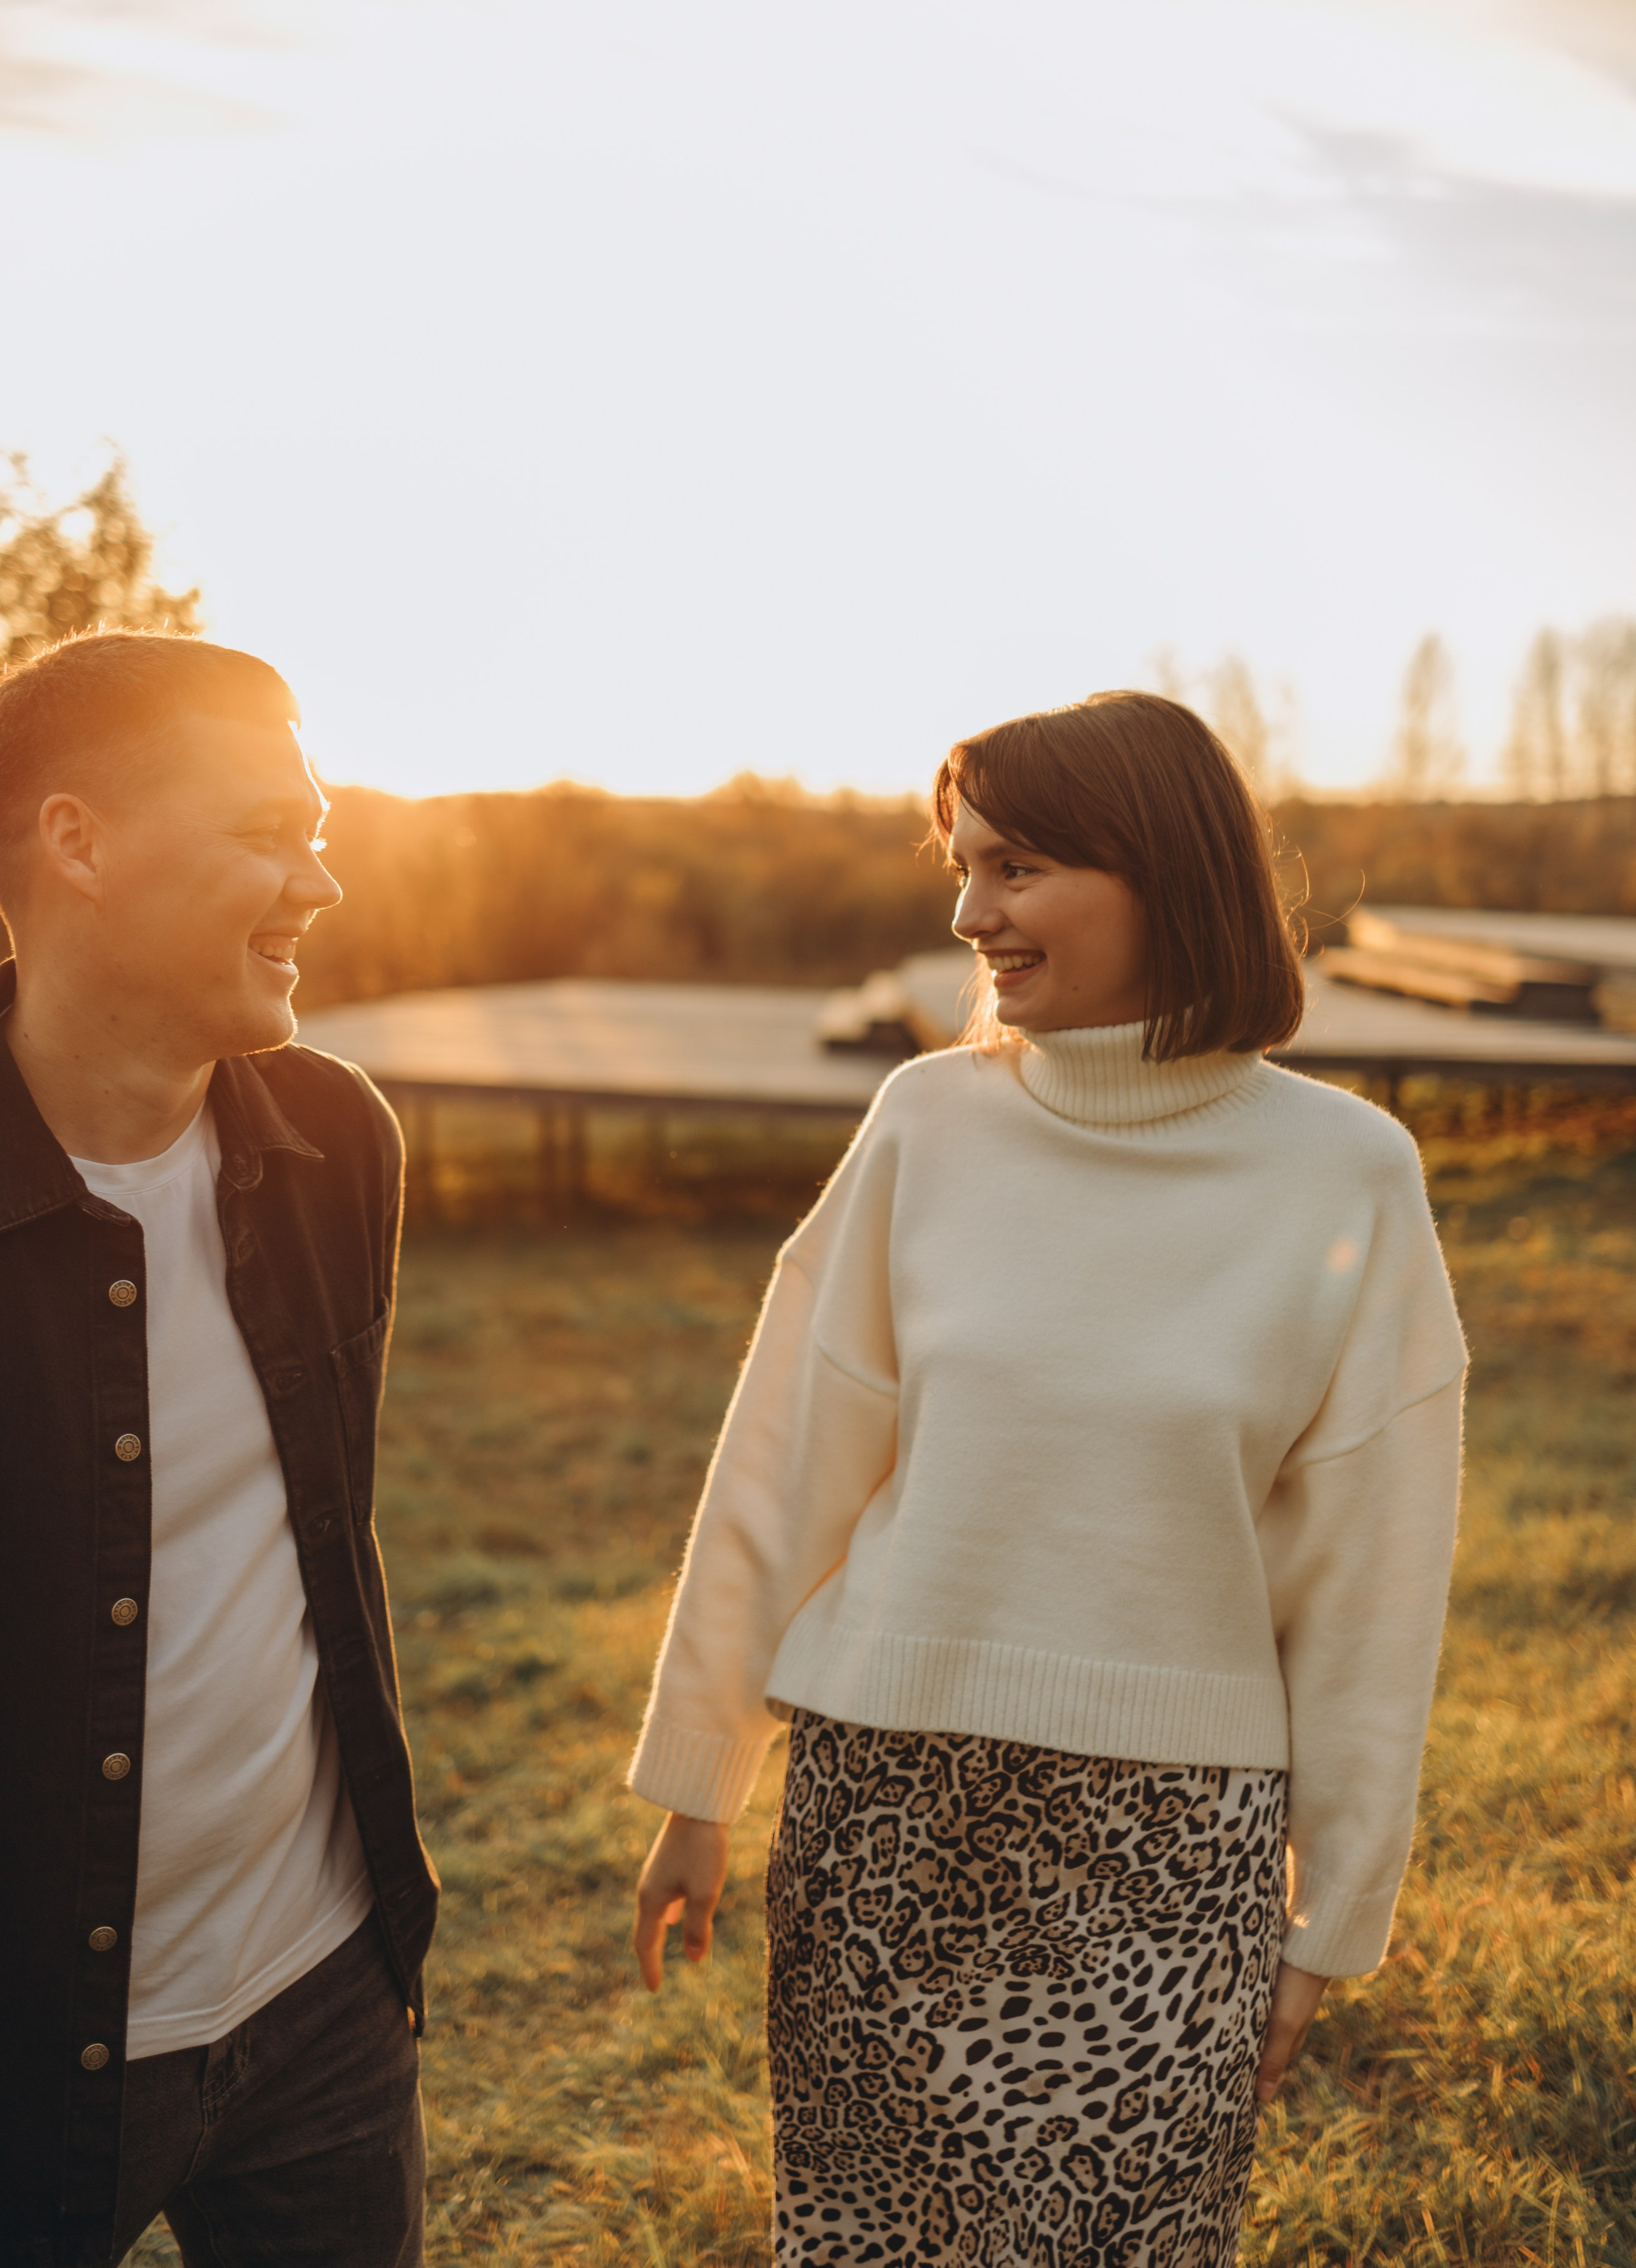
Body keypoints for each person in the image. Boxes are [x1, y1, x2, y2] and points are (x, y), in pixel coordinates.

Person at [629, 690, 1465, 2267]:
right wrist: (697, 1782)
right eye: (962, 868)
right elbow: (789, 1460)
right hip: (881, 1818)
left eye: (1012, 868)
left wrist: (1329, 1918)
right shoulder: (924, 1125)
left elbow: (1373, 1578)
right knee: (862, 2242)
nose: (967, 915)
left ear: (1158, 869)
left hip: (1168, 1855)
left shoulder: (1345, 1175)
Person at [0, 633, 437, 2268]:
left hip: (323, 1999)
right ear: (80, 842)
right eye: (269, 832)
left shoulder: (338, 1145)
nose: (316, 884)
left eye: (319, 833)